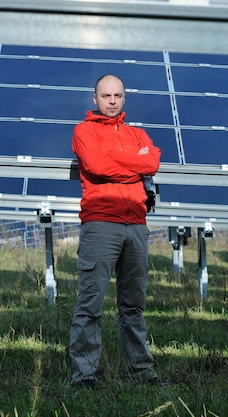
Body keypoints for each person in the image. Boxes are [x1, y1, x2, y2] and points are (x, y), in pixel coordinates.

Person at [69, 74, 164, 389]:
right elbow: (97, 166)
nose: (112, 101)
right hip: (101, 223)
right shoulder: (84, 131)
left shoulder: (138, 134)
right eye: (106, 95)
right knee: (91, 303)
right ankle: (84, 376)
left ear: (124, 99)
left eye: (118, 96)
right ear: (94, 99)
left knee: (133, 304)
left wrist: (123, 163)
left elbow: (152, 162)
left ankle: (142, 372)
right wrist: (133, 166)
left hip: (136, 225)